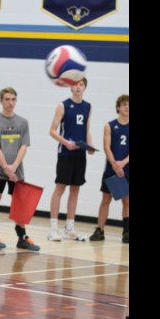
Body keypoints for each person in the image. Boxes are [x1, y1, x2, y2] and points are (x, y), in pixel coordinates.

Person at [0, 87, 40, 252]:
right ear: (1, 101)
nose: (10, 103)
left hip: (17, 170)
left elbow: (24, 146)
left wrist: (14, 166)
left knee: (20, 202)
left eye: (13, 99)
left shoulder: (23, 123)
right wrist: (6, 168)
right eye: (7, 99)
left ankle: (22, 236)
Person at [47, 77, 95, 242]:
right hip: (65, 154)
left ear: (85, 87)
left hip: (80, 155)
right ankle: (53, 229)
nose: (78, 87)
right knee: (60, 188)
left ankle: (69, 228)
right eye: (75, 84)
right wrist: (66, 142)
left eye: (81, 84)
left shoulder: (88, 107)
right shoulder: (63, 105)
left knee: (75, 190)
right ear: (70, 87)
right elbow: (52, 131)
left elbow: (87, 130)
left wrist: (90, 145)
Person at [90, 94, 130, 244]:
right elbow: (107, 147)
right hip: (111, 169)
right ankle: (100, 230)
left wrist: (123, 163)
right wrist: (114, 164)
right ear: (118, 107)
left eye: (128, 105)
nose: (127, 107)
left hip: (126, 169)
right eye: (124, 104)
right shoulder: (109, 125)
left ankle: (126, 232)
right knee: (105, 199)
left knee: (127, 201)